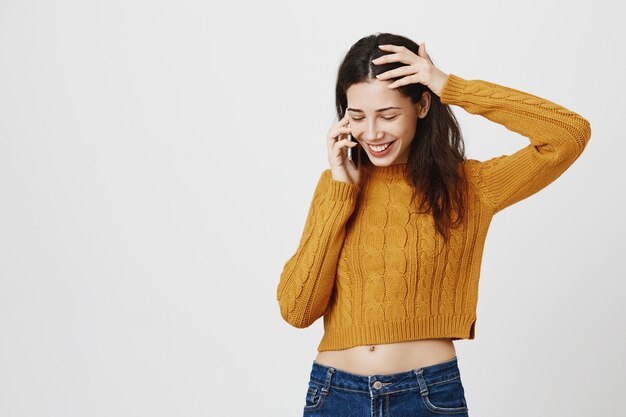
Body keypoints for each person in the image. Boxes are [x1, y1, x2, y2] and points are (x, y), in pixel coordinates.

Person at [276, 32, 591, 417]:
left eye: (388, 115)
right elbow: (297, 310)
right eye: (358, 117)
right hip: (333, 395)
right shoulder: (336, 186)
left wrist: (449, 85)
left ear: (422, 104)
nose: (372, 133)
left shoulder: (471, 186)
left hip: (425, 396)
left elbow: (567, 134)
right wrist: (341, 192)